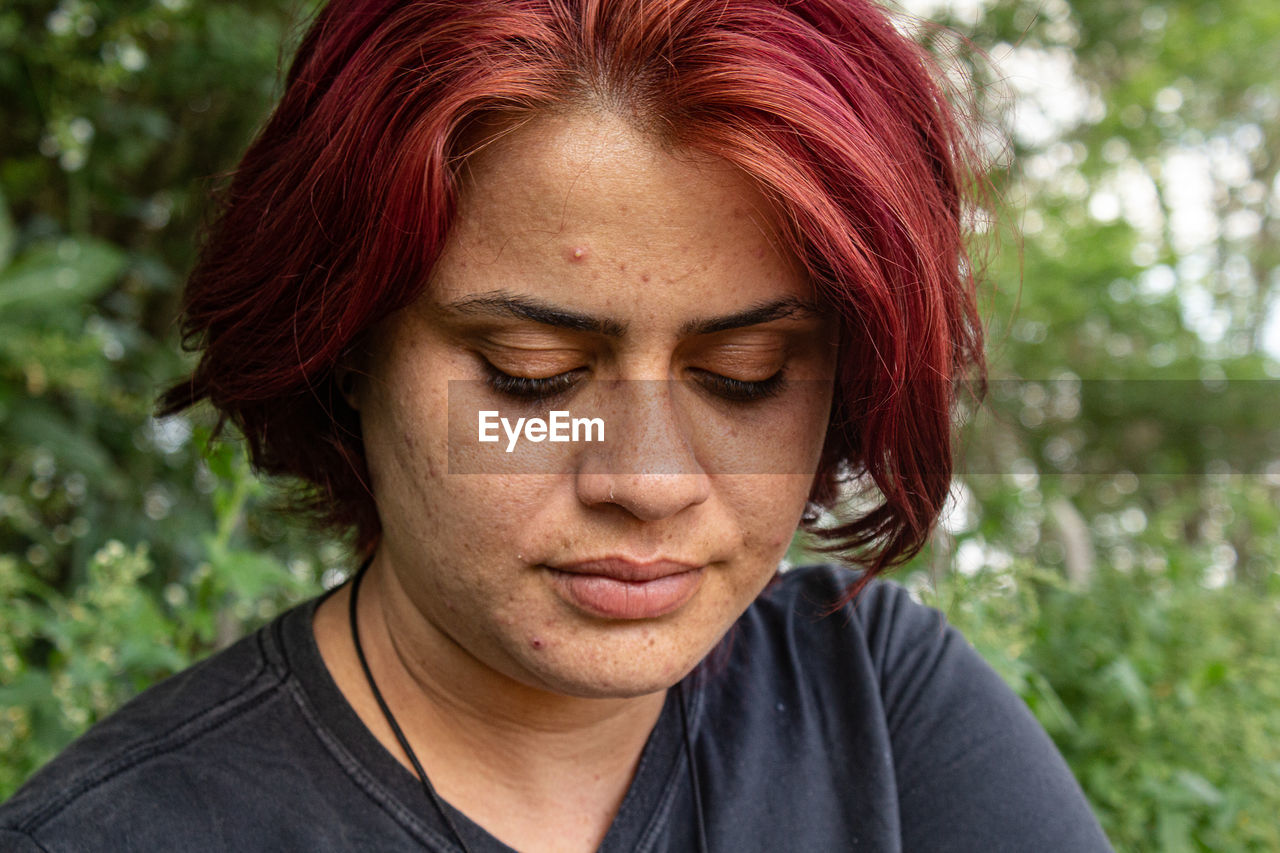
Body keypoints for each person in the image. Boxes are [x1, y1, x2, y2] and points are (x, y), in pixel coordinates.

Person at [0, 0, 1113, 850]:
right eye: (530, 377)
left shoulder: (874, 702)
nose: (649, 478)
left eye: (745, 373)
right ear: (343, 351)